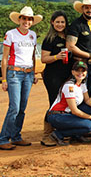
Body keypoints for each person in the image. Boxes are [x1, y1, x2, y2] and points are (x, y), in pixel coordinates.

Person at [0, 6, 42, 150]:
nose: (26, 21)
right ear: (19, 19)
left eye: (29, 19)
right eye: (24, 18)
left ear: (32, 21)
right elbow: (4, 58)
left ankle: (16, 136)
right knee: (14, 107)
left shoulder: (33, 35)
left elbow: (32, 57)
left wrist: (34, 73)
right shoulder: (11, 34)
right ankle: (4, 138)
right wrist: (4, 79)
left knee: (22, 108)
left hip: (28, 73)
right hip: (14, 73)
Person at [47, 61, 91, 146]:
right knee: (89, 125)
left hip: (67, 114)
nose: (80, 73)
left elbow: (87, 100)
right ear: (73, 72)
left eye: (83, 71)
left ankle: (76, 135)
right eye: (77, 71)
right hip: (58, 116)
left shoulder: (82, 84)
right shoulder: (69, 86)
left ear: (86, 72)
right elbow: (74, 111)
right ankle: (58, 134)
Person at [40, 10, 72, 146]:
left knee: (65, 103)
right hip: (52, 75)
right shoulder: (49, 39)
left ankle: (60, 130)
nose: (60, 24)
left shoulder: (69, 38)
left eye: (62, 22)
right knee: (54, 102)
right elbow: (43, 59)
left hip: (67, 75)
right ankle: (47, 133)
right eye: (57, 22)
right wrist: (56, 57)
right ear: (52, 22)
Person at [66, 0, 91, 96]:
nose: (89, 10)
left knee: (89, 91)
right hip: (79, 64)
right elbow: (70, 46)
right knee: (77, 93)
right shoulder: (76, 24)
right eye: (86, 7)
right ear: (82, 8)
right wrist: (90, 55)